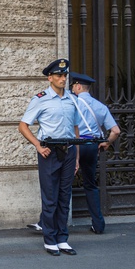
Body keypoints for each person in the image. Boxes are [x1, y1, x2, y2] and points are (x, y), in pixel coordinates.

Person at [18, 58, 81, 256]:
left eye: (65, 75)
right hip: (50, 151)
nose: (63, 79)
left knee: (65, 196)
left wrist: (77, 156)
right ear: (50, 78)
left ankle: (62, 238)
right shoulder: (40, 98)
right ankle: (50, 238)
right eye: (59, 76)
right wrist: (37, 145)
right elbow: (23, 126)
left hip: (69, 150)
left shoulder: (72, 99)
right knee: (51, 197)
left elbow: (75, 128)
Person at [70, 72, 120, 234]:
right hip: (92, 146)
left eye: (73, 86)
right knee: (90, 185)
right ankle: (98, 225)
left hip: (76, 146)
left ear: (77, 86)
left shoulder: (72, 103)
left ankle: (57, 224)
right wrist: (106, 142)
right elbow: (115, 131)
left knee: (64, 184)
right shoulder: (100, 106)